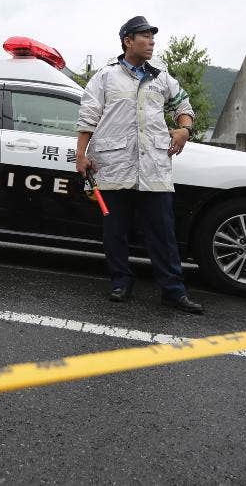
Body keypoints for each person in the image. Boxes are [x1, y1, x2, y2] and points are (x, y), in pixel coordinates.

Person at [75, 16, 203, 314]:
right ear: (127, 41)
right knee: (115, 230)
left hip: (154, 168)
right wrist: (81, 155)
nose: (151, 42)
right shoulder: (105, 76)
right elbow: (88, 116)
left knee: (163, 232)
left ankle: (173, 290)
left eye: (152, 37)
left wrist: (184, 130)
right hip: (111, 165)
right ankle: (121, 282)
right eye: (144, 36)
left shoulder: (162, 77)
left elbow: (184, 107)